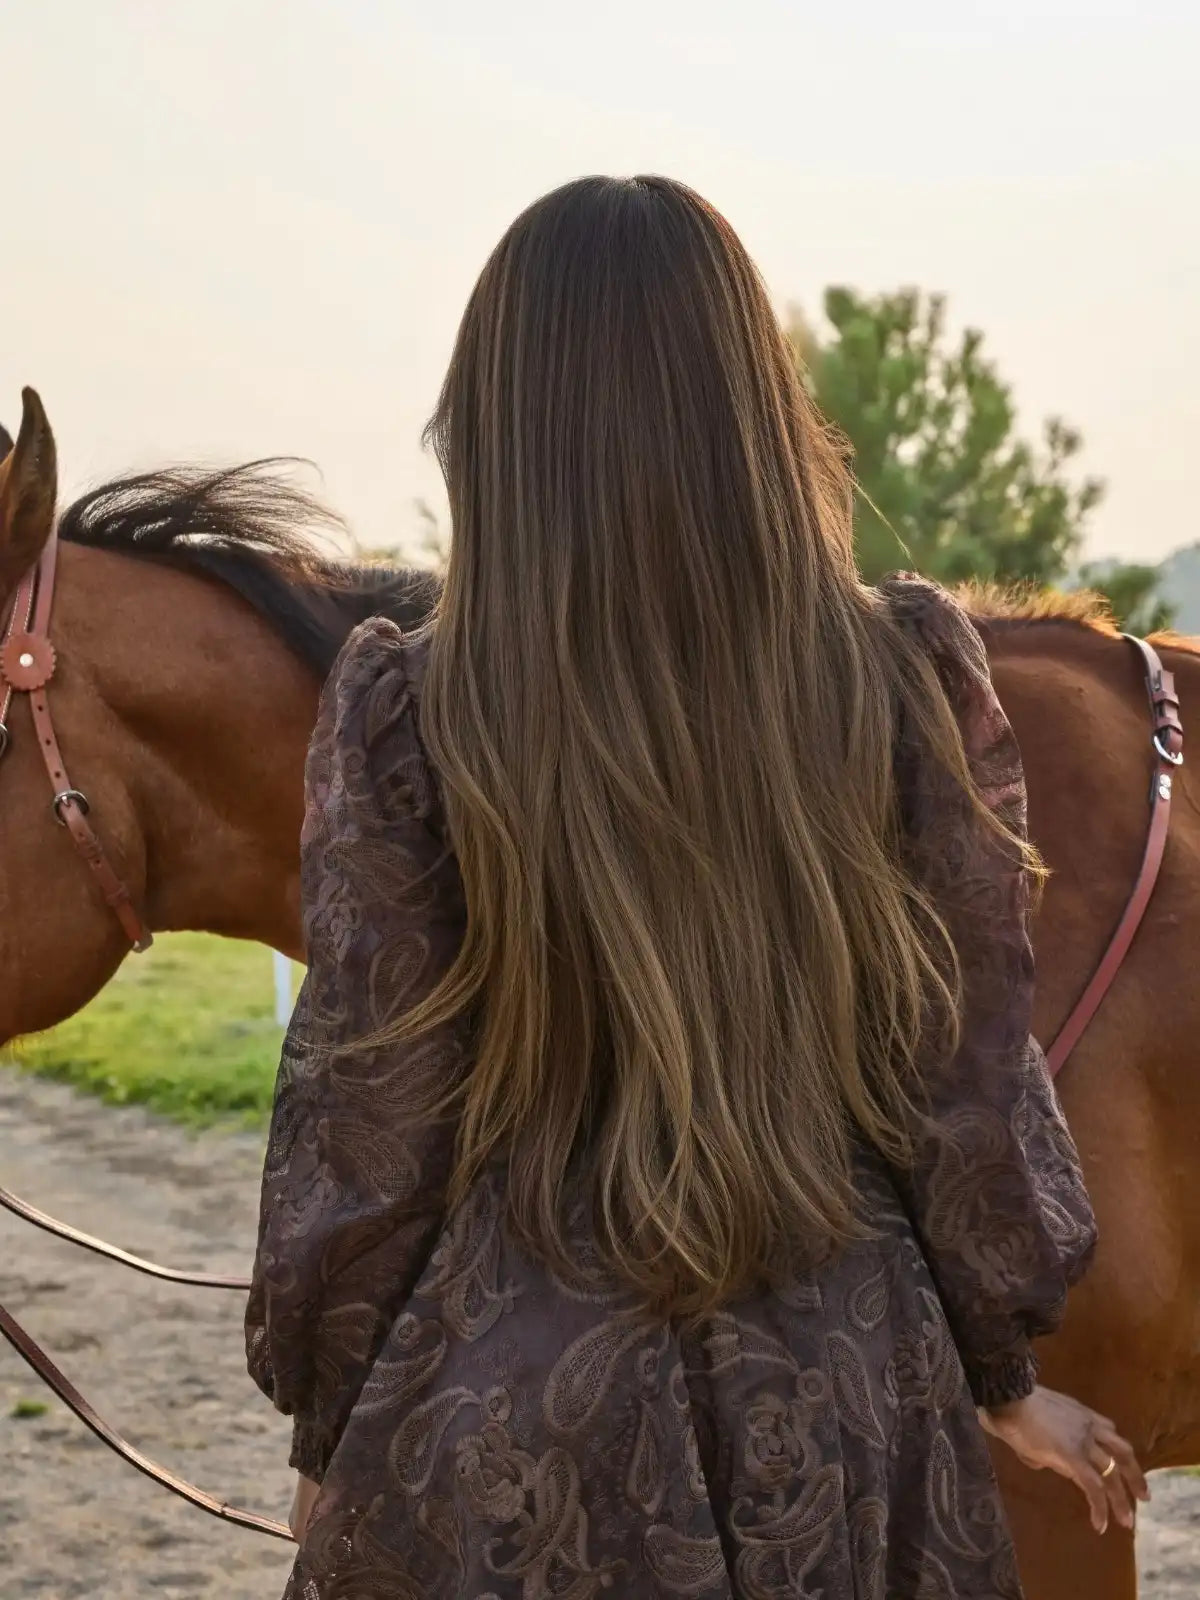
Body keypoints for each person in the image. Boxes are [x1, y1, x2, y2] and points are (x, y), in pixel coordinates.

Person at [246, 175, 1146, 1599]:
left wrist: (332, 1420)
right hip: (850, 1403)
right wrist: (1002, 1371)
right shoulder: (900, 679)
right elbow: (962, 1061)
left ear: (492, 423)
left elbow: (372, 1108)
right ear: (761, 411)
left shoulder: (412, 708)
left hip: (508, 1417)